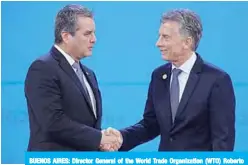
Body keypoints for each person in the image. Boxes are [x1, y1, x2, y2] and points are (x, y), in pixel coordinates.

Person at [106, 9, 236, 151]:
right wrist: (122, 137)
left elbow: (223, 139)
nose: (158, 43)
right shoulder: (159, 76)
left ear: (187, 42)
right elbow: (151, 124)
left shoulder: (216, 80)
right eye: (159, 36)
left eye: (165, 37)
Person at [25, 4, 119, 151]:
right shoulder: (43, 68)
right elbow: (52, 121)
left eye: (93, 33)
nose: (94, 39)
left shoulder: (88, 73)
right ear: (66, 36)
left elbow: (87, 124)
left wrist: (100, 139)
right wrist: (99, 138)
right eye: (87, 34)